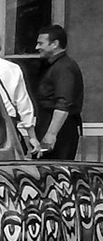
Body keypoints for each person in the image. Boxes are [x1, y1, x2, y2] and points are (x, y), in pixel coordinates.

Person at [33, 24, 84, 161]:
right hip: (50, 124)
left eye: (40, 43)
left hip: (61, 129)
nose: (37, 47)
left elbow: (64, 103)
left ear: (54, 44)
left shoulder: (63, 67)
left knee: (57, 171)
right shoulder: (53, 66)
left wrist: (51, 134)